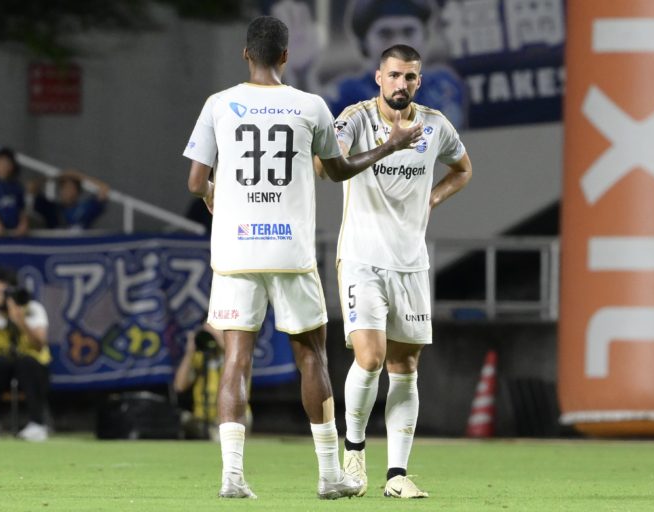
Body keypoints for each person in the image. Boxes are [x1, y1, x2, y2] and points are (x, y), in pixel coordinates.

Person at [183, 16, 424, 499]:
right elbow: (337, 170)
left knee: (236, 358)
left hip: (236, 249)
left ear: (246, 54)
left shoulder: (218, 104)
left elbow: (194, 182)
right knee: (311, 356)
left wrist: (213, 194)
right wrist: (390, 145)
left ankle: (232, 476)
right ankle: (330, 474)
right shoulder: (309, 105)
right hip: (290, 250)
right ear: (286, 56)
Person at [323, 44, 472, 498]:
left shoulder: (435, 125)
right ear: (378, 77)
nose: (401, 84)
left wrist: (433, 198)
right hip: (362, 258)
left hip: (410, 264)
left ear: (418, 81)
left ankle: (396, 476)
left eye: (409, 77)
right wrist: (388, 146)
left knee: (405, 367)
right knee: (369, 358)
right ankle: (353, 455)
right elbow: (328, 167)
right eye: (393, 75)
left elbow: (463, 169)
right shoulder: (355, 119)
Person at [328, 0, 466, 128]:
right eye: (385, 34)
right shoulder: (344, 97)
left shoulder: (445, 87)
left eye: (409, 32)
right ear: (364, 43)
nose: (398, 43)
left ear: (425, 36)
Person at [0, 267, 51, 441]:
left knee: (26, 363)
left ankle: (37, 424)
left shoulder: (31, 309)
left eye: (4, 293)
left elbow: (39, 344)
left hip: (31, 367)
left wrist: (20, 320)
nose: (1, 297)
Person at [173, 324, 251, 440]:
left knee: (224, 434)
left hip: (234, 416)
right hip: (202, 418)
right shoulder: (200, 356)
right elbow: (179, 386)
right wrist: (190, 352)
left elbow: (239, 362)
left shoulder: (237, 356)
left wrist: (219, 338)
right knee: (181, 419)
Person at [31, 169, 109, 230]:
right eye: (64, 188)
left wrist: (78, 176)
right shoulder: (51, 208)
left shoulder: (85, 208)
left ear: (78, 191)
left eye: (71, 188)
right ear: (60, 191)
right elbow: (31, 188)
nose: (68, 191)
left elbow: (104, 189)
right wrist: (56, 177)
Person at [0, 147, 29, 237]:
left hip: (15, 233)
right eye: (0, 163)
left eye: (7, 163)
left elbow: (22, 208)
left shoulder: (17, 187)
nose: (3, 166)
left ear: (12, 166)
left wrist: (23, 224)